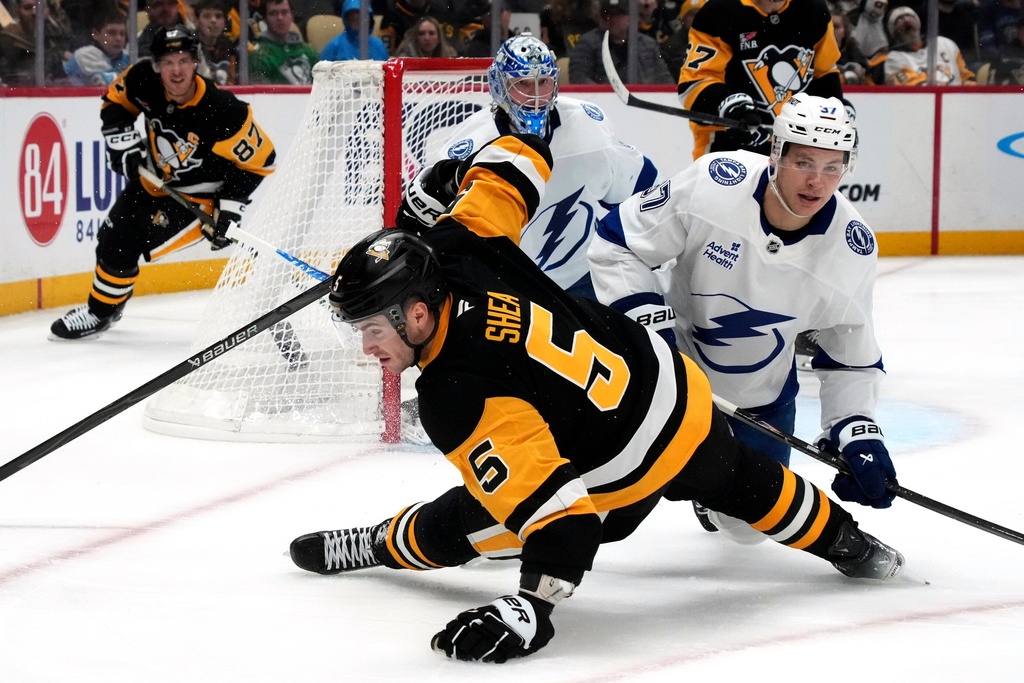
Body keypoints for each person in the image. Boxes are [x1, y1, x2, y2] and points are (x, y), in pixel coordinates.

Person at [288, 133, 905, 664]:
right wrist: (457, 178)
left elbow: (567, 520)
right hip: (674, 390)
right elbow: (521, 156)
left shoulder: (453, 395)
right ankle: (852, 544)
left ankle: (377, 543)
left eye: (372, 329)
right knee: (747, 480)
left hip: (617, 479)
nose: (367, 348)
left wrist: (530, 609)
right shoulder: (461, 240)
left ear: (417, 313)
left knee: (471, 520)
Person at [588, 95, 897, 541]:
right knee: (606, 487)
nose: (817, 181)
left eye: (833, 167)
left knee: (749, 529)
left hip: (759, 399)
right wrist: (649, 334)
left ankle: (707, 493)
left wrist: (855, 428)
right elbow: (620, 243)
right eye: (804, 162)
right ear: (776, 153)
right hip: (670, 379)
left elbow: (850, 351)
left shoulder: (851, 249)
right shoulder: (715, 183)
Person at [49, 26, 276, 340]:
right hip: (152, 180)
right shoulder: (143, 79)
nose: (176, 70)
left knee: (123, 242)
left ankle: (99, 313)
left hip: (198, 200)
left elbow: (260, 162)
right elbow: (115, 104)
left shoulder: (222, 110)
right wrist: (124, 147)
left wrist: (228, 209)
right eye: (168, 62)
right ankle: (107, 309)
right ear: (156, 65)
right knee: (110, 238)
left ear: (195, 62)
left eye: (183, 60)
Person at [397, 32, 658, 300]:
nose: (535, 96)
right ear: (499, 85)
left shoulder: (587, 125)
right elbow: (427, 222)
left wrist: (647, 249)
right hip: (506, 287)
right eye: (522, 83)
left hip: (582, 280)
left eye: (543, 82)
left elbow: (640, 190)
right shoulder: (471, 144)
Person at [677, 0, 849, 162]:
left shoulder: (813, 10)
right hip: (727, 144)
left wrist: (834, 113)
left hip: (796, 144)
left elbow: (824, 72)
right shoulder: (719, 12)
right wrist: (731, 106)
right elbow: (693, 85)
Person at [569, 0, 675, 84]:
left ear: (630, 17)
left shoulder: (648, 44)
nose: (611, 19)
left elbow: (665, 79)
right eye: (606, 14)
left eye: (618, 14)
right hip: (602, 102)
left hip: (643, 100)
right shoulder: (587, 43)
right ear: (599, 17)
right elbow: (579, 78)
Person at [883, 6, 976, 85]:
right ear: (894, 33)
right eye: (898, 20)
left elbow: (966, 77)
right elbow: (915, 89)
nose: (906, 20)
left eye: (909, 16)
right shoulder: (893, 60)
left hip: (956, 99)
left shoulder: (945, 43)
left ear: (919, 23)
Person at [0, 0, 73, 86]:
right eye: (27, 8)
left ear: (48, 10)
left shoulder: (57, 40)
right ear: (17, 10)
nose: (34, 12)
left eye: (40, 7)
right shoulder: (7, 41)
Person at [249, 0, 319, 83]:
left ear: (292, 16)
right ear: (265, 19)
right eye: (273, 13)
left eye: (284, 12)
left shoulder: (308, 51)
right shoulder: (258, 57)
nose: (280, 18)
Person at [63, 10, 131, 86]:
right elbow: (111, 84)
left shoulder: (126, 55)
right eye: (112, 33)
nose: (118, 38)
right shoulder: (85, 55)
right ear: (95, 34)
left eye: (122, 34)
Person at [318, 0, 389, 61]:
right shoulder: (335, 47)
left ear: (369, 17)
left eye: (360, 12)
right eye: (351, 14)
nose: (355, 17)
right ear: (346, 18)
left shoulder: (379, 46)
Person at [193, 0, 238, 85]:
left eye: (218, 16)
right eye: (207, 16)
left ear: (225, 22)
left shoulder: (230, 47)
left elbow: (232, 80)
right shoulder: (190, 46)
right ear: (196, 21)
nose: (213, 20)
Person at [831, 8, 869, 85]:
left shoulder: (853, 50)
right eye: (828, 27)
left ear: (845, 31)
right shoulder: (816, 51)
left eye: (836, 27)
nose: (831, 31)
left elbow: (865, 69)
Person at [393, 14, 458, 57]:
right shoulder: (404, 59)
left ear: (439, 38)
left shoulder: (449, 57)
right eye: (421, 34)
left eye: (431, 33)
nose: (427, 38)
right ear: (416, 38)